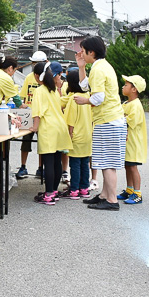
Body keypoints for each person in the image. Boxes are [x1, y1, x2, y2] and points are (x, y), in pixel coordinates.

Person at [74, 36, 126, 211]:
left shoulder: (98, 69)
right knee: (105, 161)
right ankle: (104, 195)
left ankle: (111, 200)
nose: (80, 52)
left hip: (108, 120)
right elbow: (84, 85)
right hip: (111, 120)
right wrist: (82, 67)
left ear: (92, 52)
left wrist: (84, 101)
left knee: (108, 162)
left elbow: (98, 97)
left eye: (83, 50)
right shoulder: (102, 66)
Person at [29, 62, 72, 205]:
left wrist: (34, 128)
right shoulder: (53, 89)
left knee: (48, 162)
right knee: (56, 161)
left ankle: (48, 195)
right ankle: (53, 191)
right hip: (60, 127)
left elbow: (37, 112)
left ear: (36, 76)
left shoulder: (39, 90)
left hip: (49, 128)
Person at [59, 68, 93, 199]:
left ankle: (74, 190)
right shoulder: (88, 97)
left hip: (77, 136)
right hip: (87, 135)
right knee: (85, 163)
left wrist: (69, 135)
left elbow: (71, 122)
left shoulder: (75, 99)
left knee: (75, 164)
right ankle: (84, 188)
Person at [16, 50, 49, 179]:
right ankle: (23, 166)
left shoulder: (48, 78)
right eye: (34, 63)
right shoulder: (29, 77)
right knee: (26, 141)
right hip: (29, 113)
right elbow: (23, 97)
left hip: (42, 115)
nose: (35, 65)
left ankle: (40, 168)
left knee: (42, 143)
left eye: (38, 63)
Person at [118, 75, 148, 205]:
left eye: (126, 85)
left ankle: (137, 193)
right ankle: (129, 189)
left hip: (133, 142)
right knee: (127, 166)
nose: (123, 87)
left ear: (134, 89)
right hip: (126, 142)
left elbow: (129, 121)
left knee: (133, 167)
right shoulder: (126, 103)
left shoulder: (136, 105)